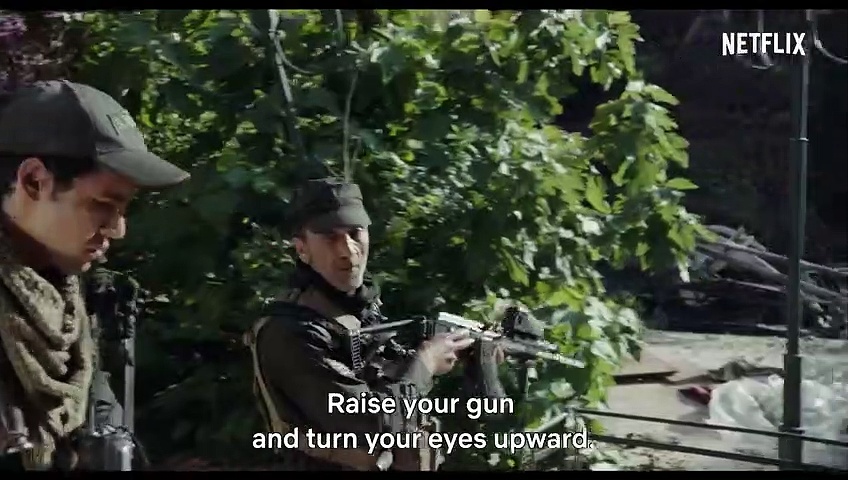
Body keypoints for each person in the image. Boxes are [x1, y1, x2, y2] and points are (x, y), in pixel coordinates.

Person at [244, 178, 504, 471]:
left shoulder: (356, 309)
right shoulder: (290, 332)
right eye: (330, 237)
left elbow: (390, 389)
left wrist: (467, 359)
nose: (348, 250)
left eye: (355, 233)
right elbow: (372, 422)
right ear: (302, 249)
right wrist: (425, 363)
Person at [0, 80, 190, 470]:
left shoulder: (64, 304)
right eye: (103, 204)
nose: (118, 229)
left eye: (123, 209)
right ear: (34, 181)